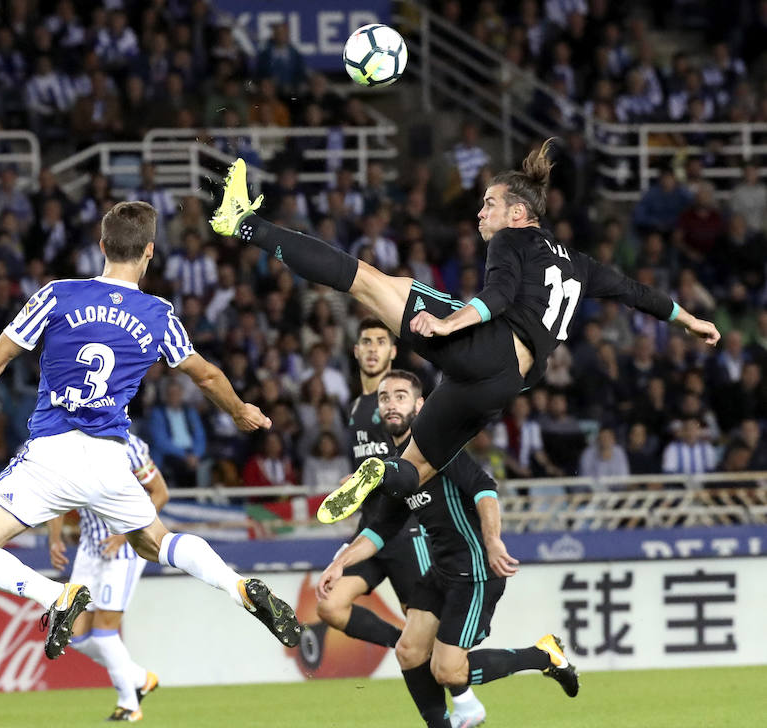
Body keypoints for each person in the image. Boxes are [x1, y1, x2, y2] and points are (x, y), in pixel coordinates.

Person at [206, 148, 721, 520]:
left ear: (518, 213)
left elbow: (497, 296)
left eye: (489, 204)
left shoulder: (513, 241)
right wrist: (689, 320)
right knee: (415, 467)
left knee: (367, 281)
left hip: (485, 349)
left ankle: (244, 225)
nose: (480, 213)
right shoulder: (579, 265)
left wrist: (448, 323)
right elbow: (636, 292)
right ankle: (380, 473)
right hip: (504, 386)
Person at [0, 201, 301, 664]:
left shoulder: (57, 295)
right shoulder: (158, 313)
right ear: (150, 251)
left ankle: (54, 595)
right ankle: (236, 585)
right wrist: (239, 411)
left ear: (102, 245)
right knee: (156, 542)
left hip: (51, 455)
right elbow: (206, 375)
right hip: (110, 462)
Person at [317, 370, 578, 728]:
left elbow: (484, 488)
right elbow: (380, 529)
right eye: (384, 398)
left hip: (476, 572)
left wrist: (493, 540)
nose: (391, 404)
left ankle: (543, 655)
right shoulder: (397, 468)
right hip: (440, 571)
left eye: (400, 396)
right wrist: (340, 564)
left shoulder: (440, 447)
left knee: (447, 670)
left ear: (419, 405)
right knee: (409, 651)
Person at [315, 319, 486, 728]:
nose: (373, 349)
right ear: (356, 351)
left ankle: (474, 694)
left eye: (381, 342)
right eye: (366, 342)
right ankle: (405, 647)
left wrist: (373, 478)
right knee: (331, 606)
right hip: (371, 531)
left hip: (408, 532)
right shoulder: (360, 408)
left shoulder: (400, 406)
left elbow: (415, 462)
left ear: (393, 352)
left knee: (431, 643)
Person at [48, 433, 166, 722]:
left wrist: (126, 534)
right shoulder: (66, 446)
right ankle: (140, 678)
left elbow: (160, 493)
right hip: (89, 550)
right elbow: (56, 495)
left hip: (124, 552)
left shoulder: (131, 446)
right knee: (73, 634)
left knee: (104, 633)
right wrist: (54, 539)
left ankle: (129, 705)